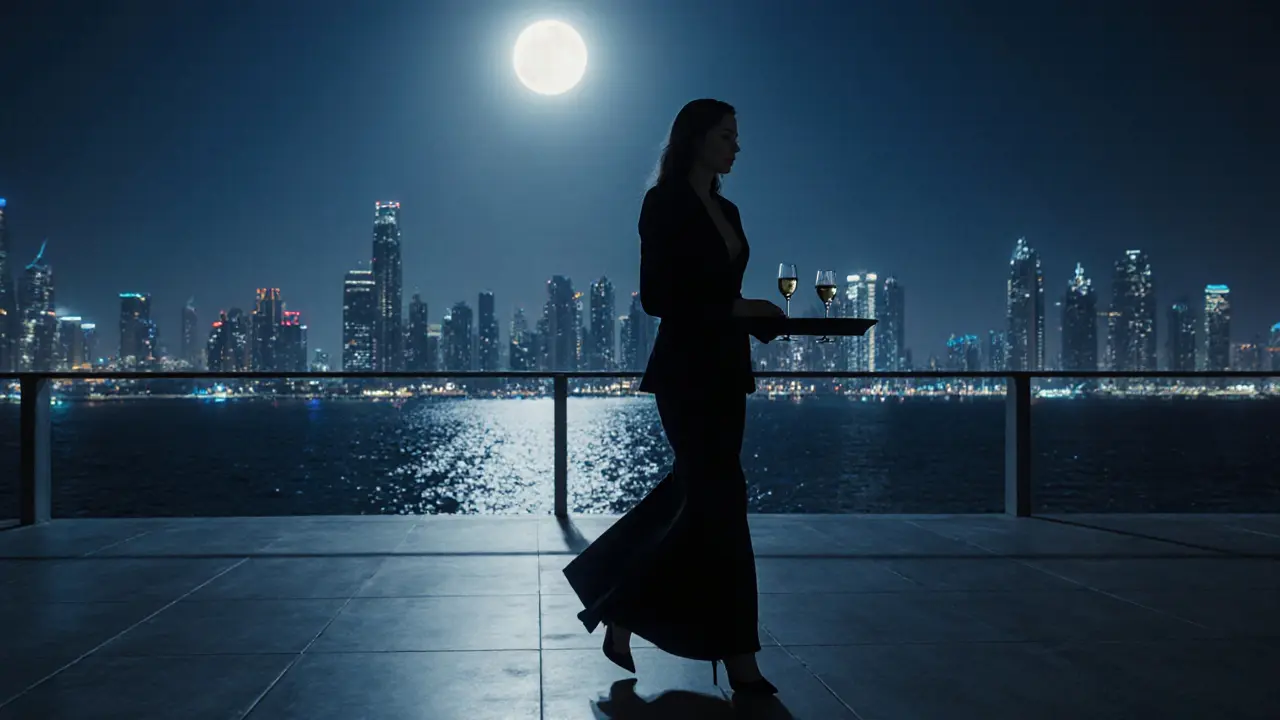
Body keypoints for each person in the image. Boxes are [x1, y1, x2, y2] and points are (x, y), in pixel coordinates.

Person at [562, 98, 786, 695]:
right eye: (726, 135)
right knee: (721, 502)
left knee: (700, 502)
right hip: (686, 373)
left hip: (726, 370)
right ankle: (741, 660)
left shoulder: (728, 209)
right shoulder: (663, 203)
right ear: (695, 139)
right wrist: (741, 309)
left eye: (737, 136)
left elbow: (720, 291)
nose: (736, 146)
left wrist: (756, 315)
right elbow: (660, 296)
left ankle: (620, 608)